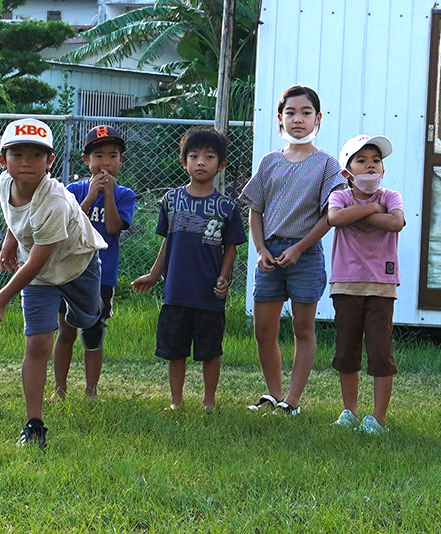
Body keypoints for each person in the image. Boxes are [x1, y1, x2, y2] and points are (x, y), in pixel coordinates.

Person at [0, 118, 107, 448]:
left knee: (83, 321)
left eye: (37, 155)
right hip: (38, 276)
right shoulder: (4, 184)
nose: (26, 161)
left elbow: (39, 257)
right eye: (17, 153)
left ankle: (88, 311)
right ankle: (34, 424)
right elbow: (18, 218)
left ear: (50, 161)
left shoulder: (55, 200)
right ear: (2, 160)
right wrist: (10, 238)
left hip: (77, 264)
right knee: (38, 344)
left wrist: (1, 298)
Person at [240, 85, 347, 416]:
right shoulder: (269, 162)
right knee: (264, 329)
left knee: (303, 328)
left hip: (306, 255)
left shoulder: (326, 164)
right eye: (290, 112)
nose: (297, 119)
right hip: (270, 255)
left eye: (305, 112)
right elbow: (255, 209)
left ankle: (292, 402)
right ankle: (272, 394)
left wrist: (300, 248)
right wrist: (260, 250)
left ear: (318, 118)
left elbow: (330, 214)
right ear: (279, 119)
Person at [132, 126, 246, 412]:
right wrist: (154, 274)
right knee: (175, 349)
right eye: (193, 156)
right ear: (183, 162)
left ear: (221, 165)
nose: (200, 162)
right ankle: (176, 401)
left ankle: (209, 401)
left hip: (209, 293)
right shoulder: (171, 200)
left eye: (209, 157)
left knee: (210, 350)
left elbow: (230, 247)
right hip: (176, 291)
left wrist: (224, 278)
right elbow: (168, 241)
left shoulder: (227, 206)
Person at [49, 125, 136, 402]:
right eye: (98, 156)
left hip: (102, 276)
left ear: (121, 160)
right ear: (86, 160)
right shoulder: (72, 190)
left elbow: (112, 228)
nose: (105, 163)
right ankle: (59, 390)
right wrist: (90, 195)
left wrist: (108, 194)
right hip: (69, 272)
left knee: (93, 334)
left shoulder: (125, 195)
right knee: (65, 331)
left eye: (112, 156)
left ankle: (91, 391)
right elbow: (69, 223)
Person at [327, 134, 404, 434]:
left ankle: (378, 419)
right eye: (361, 161)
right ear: (348, 173)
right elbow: (335, 218)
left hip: (382, 286)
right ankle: (350, 411)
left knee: (380, 351)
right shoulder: (340, 197)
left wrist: (359, 214)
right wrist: (372, 210)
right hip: (346, 285)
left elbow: (396, 222)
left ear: (383, 170)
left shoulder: (391, 196)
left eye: (376, 161)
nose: (371, 166)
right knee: (346, 350)